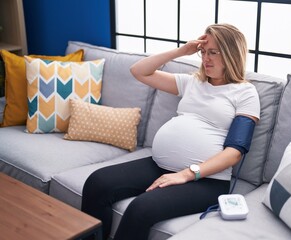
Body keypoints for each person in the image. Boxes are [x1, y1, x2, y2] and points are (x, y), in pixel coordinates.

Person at [81, 23, 260, 240]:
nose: (206, 58)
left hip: (206, 181)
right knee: (97, 182)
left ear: (232, 53)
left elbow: (234, 152)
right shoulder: (193, 82)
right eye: (203, 52)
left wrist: (186, 174)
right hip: (160, 166)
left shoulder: (245, 93)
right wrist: (182, 51)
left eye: (213, 52)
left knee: (141, 208)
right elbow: (138, 71)